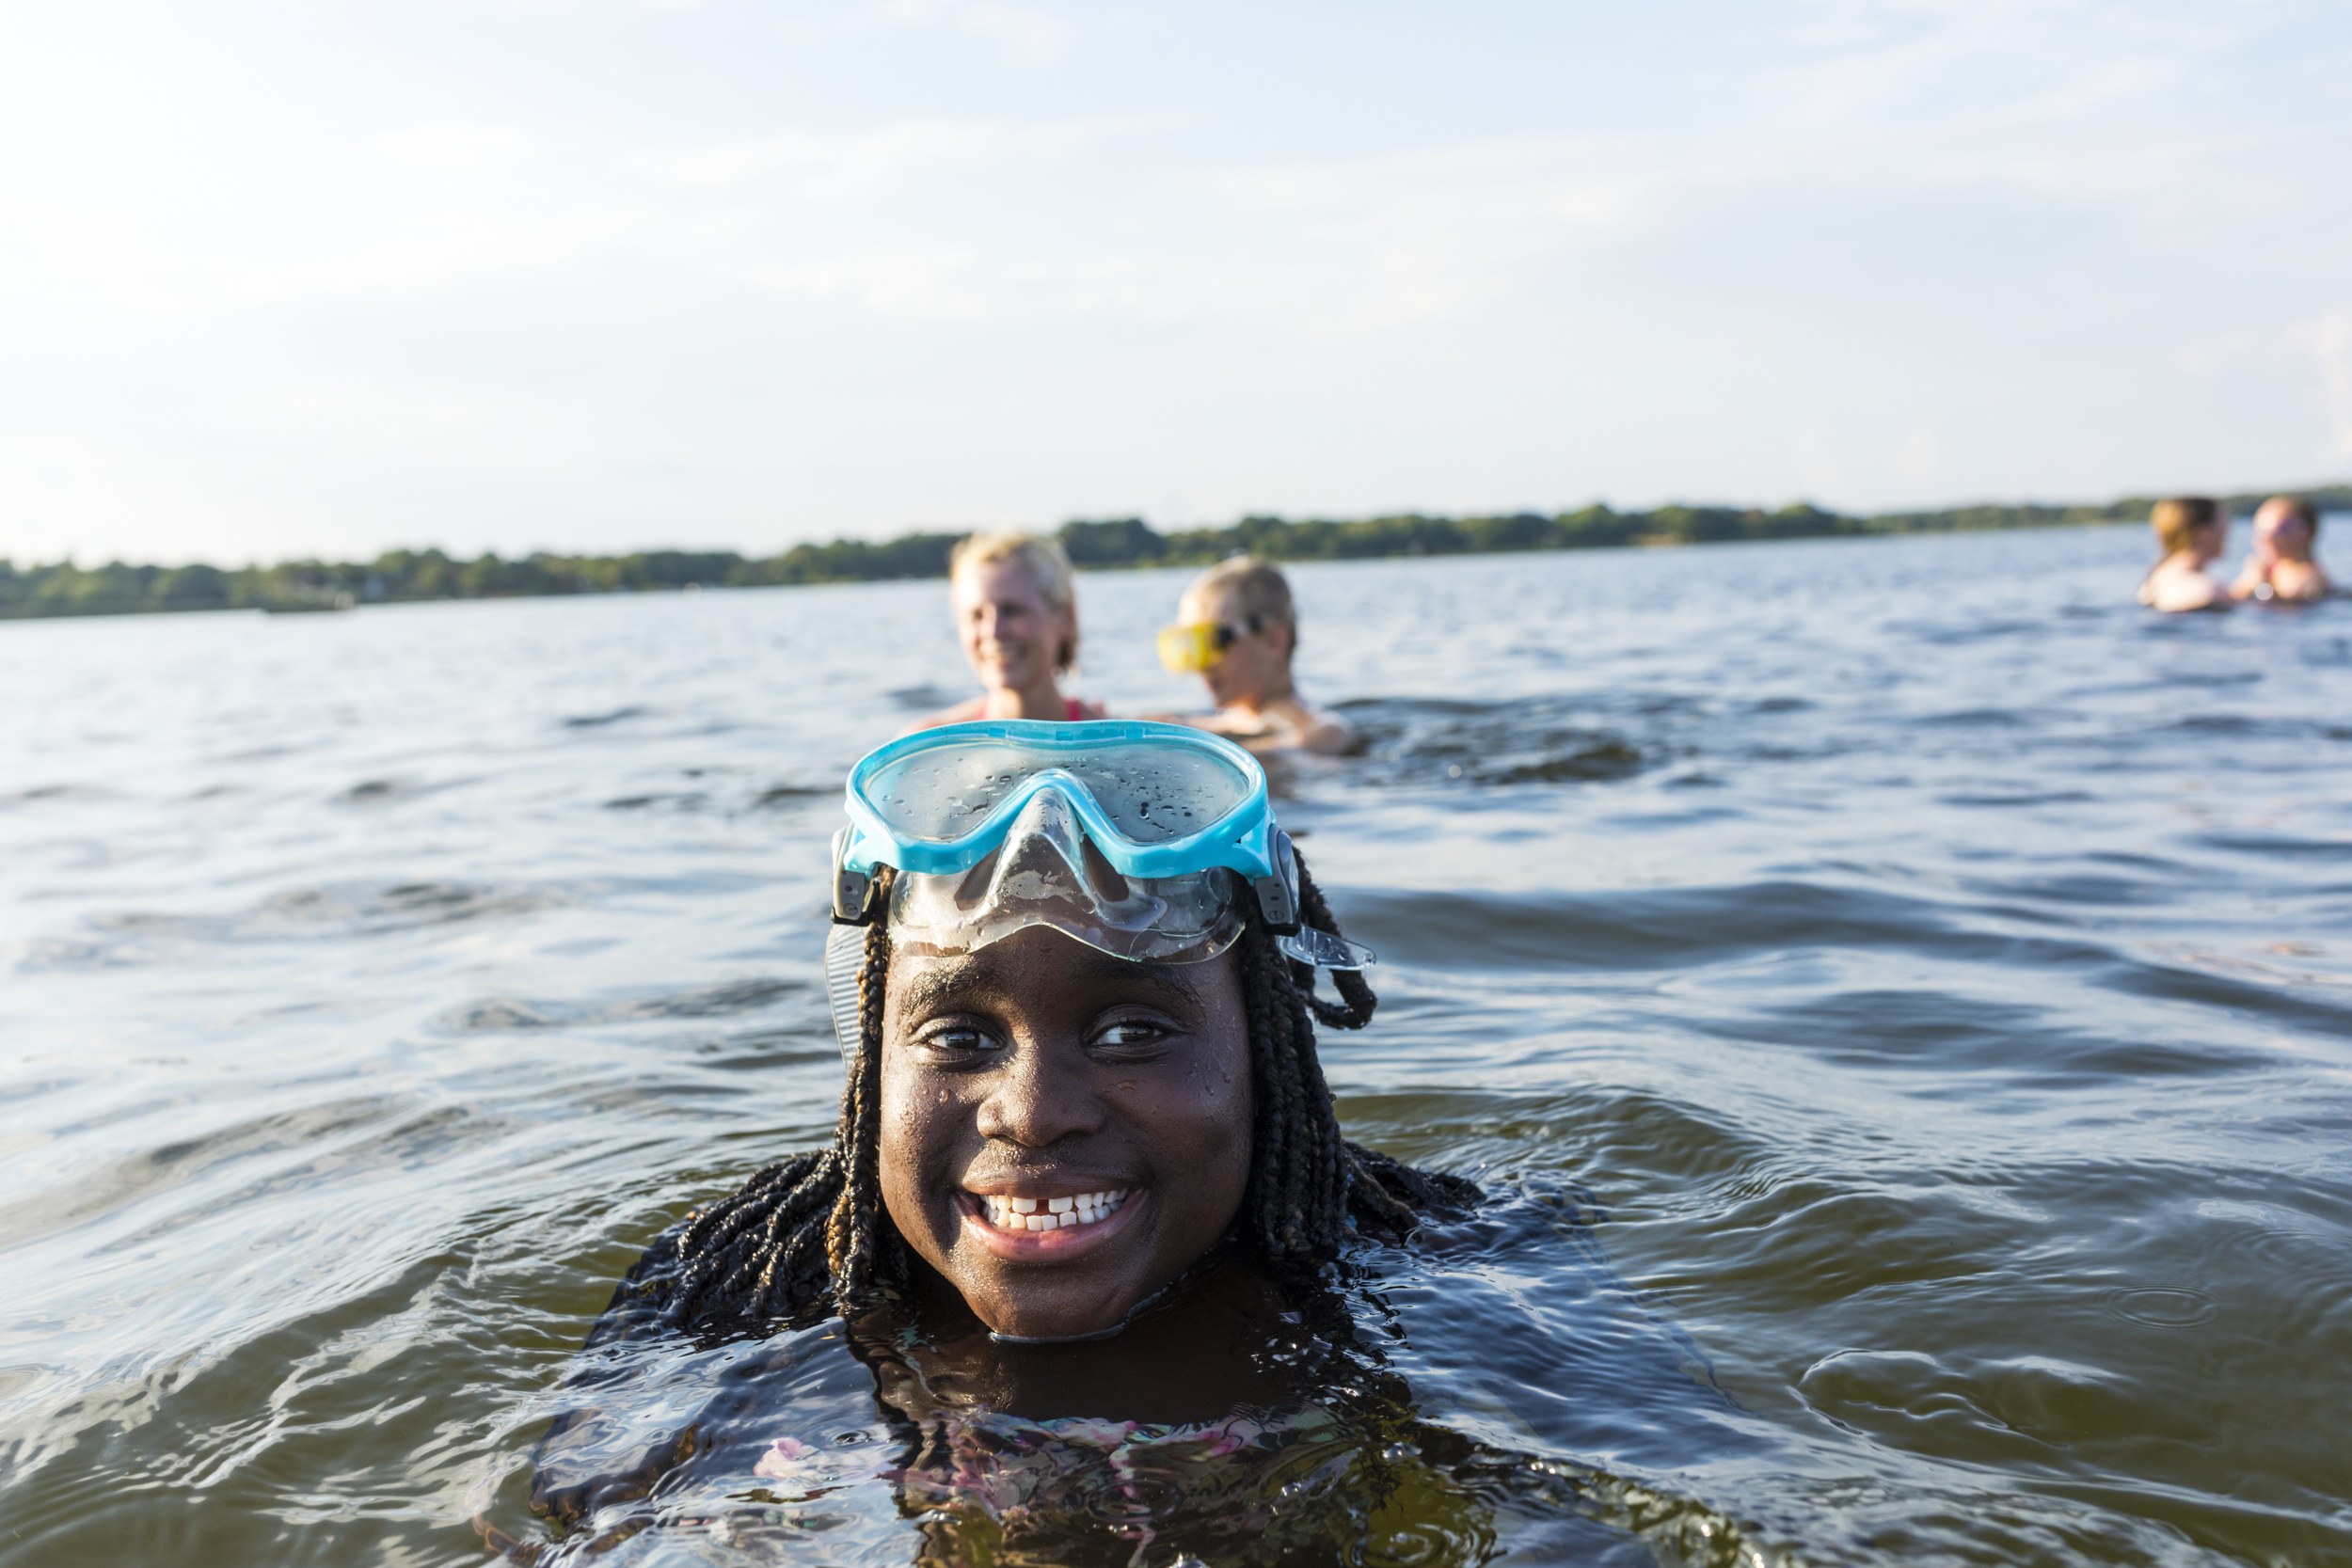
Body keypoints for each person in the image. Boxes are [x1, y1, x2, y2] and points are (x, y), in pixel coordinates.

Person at [515, 721, 1476, 1560]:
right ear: (869, 1068)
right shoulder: (722, 1314)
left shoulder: (1444, 1282)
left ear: (1267, 1065)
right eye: (960, 1036)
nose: (1031, 1109)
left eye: (1132, 1030)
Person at [1155, 557, 1357, 755]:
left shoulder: (1320, 732)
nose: (1202, 665)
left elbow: (1325, 739)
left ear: (1273, 642)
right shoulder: (1219, 724)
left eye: (1214, 642)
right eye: (1190, 647)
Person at [914, 532, 1105, 729]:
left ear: (1065, 619)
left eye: (1012, 610)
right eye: (976, 615)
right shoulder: (924, 748)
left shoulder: (1120, 744)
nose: (994, 631)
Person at [2136, 496, 2231, 612]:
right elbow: (2205, 595)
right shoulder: (2207, 590)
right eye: (2223, 523)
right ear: (2203, 533)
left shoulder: (2154, 580)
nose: (2227, 530)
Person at [2231, 496, 2332, 603]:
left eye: (2281, 529)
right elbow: (2231, 598)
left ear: (2308, 532)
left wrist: (2261, 583)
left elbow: (2284, 605)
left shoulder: (2313, 579)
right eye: (2262, 531)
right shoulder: (2264, 569)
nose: (2268, 538)